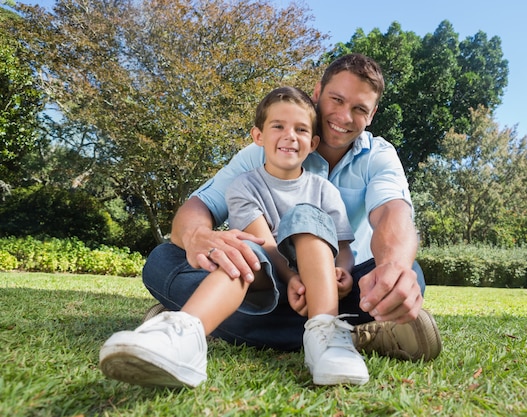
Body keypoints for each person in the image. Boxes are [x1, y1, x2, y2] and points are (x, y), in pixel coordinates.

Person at [101, 53, 441, 387]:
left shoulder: (379, 155)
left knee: (407, 274)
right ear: (317, 92)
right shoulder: (263, 152)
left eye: (359, 109)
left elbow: (393, 215)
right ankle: (351, 335)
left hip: (343, 286)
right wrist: (198, 237)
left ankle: (206, 319)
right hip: (264, 281)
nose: (343, 116)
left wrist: (392, 267)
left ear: (372, 114)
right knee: (163, 260)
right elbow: (198, 207)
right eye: (336, 99)